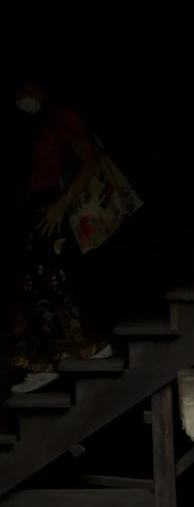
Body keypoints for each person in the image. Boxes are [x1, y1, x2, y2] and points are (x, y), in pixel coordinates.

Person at [8, 81, 112, 394]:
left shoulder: (61, 117)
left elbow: (89, 161)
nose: (18, 96)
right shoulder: (36, 125)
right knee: (37, 289)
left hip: (54, 207)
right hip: (39, 209)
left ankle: (88, 348)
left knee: (54, 284)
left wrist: (60, 206)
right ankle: (46, 363)